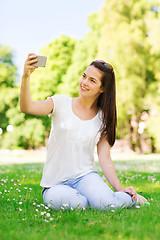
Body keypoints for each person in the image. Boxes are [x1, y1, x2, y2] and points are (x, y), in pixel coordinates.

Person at [20, 53, 148, 211]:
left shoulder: (103, 118)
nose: (84, 82)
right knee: (78, 205)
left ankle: (132, 199)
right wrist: (26, 77)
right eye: (84, 76)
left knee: (107, 205)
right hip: (54, 184)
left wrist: (119, 188)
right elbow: (27, 107)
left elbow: (105, 158)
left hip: (86, 177)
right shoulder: (59, 103)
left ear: (102, 88)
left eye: (92, 80)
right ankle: (91, 198)